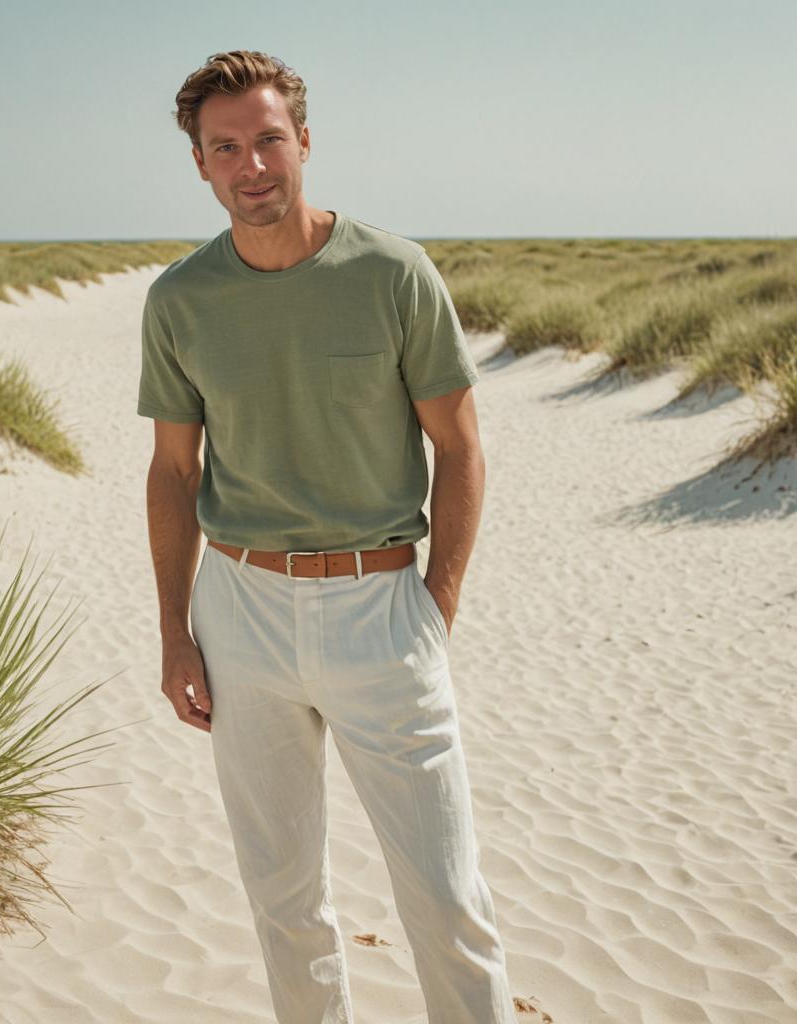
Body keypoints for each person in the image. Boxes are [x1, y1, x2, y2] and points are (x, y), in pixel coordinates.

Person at [137, 49, 517, 1024]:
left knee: (443, 899)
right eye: (226, 148)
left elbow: (460, 449)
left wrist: (437, 600)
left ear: (304, 141)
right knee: (283, 899)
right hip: (240, 613)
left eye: (268, 138)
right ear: (200, 166)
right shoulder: (180, 299)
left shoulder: (393, 273)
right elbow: (174, 472)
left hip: (382, 609)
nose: (250, 163)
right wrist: (177, 633)